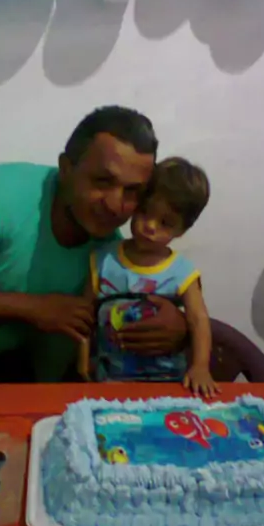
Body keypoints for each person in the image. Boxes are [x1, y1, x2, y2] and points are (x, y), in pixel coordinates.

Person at [0, 106, 188, 386]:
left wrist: (178, 328)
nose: (116, 205)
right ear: (66, 169)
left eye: (132, 191)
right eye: (102, 181)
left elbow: (116, 321)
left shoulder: (110, 253)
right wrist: (36, 308)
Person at [78, 157, 220, 397]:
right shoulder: (103, 260)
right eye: (145, 211)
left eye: (165, 222)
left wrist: (200, 367)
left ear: (182, 230)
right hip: (109, 382)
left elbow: (198, 319)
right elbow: (84, 317)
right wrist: (82, 363)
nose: (150, 226)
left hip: (169, 385)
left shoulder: (182, 272)